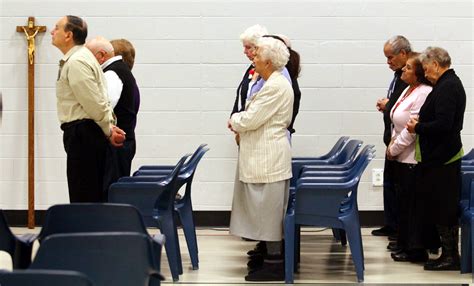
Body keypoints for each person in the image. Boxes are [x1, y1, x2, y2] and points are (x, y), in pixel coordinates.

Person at [228, 37, 293, 282]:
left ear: (268, 61)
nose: (253, 58)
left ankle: (274, 264)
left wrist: (234, 120)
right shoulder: (269, 81)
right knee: (264, 211)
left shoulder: (275, 85)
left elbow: (251, 118)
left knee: (269, 213)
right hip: (264, 153)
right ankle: (268, 255)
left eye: (257, 56)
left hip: (269, 155)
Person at [51, 15, 125, 203]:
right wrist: (108, 126)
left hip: (83, 134)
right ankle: (89, 229)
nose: (52, 31)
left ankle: (86, 230)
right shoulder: (80, 58)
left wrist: (108, 129)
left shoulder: (77, 61)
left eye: (56, 28)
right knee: (87, 191)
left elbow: (93, 101)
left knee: (83, 194)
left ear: (68, 35)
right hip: (85, 133)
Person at [407, 46, 466, 271]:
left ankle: (451, 256)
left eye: (425, 67)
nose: (424, 72)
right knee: (439, 205)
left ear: (435, 64)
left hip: (444, 157)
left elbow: (444, 124)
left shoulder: (448, 86)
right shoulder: (444, 84)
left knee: (445, 207)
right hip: (439, 156)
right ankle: (447, 253)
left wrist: (418, 126)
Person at [385, 53, 434, 262]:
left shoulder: (423, 92)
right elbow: (397, 120)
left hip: (412, 157)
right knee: (403, 203)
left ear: (418, 73)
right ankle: (405, 244)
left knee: (413, 206)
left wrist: (394, 149)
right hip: (399, 154)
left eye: (407, 68)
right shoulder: (407, 89)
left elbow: (412, 127)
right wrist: (392, 143)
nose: (403, 71)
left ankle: (415, 248)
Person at [85, 36, 140, 190]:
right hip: (121, 142)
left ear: (102, 55)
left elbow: (102, 108)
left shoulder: (112, 75)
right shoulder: (121, 72)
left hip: (115, 146)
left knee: (109, 193)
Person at [372, 35, 411, 238]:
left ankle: (398, 229)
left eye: (390, 57)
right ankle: (391, 223)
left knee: (398, 187)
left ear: (403, 54)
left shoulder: (409, 77)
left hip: (402, 143)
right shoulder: (397, 75)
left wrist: (390, 106)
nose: (388, 62)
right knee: (389, 184)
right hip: (391, 138)